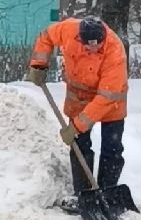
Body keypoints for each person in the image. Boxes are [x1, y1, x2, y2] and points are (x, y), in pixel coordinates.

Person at [26, 16, 129, 209]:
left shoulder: (115, 52)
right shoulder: (68, 30)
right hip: (79, 99)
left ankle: (106, 191)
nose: (92, 49)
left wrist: (76, 126)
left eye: (96, 45)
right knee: (80, 146)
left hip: (110, 103)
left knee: (112, 148)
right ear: (80, 38)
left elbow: (106, 98)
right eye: (87, 45)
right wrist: (39, 64)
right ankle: (83, 193)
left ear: (103, 39)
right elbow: (46, 36)